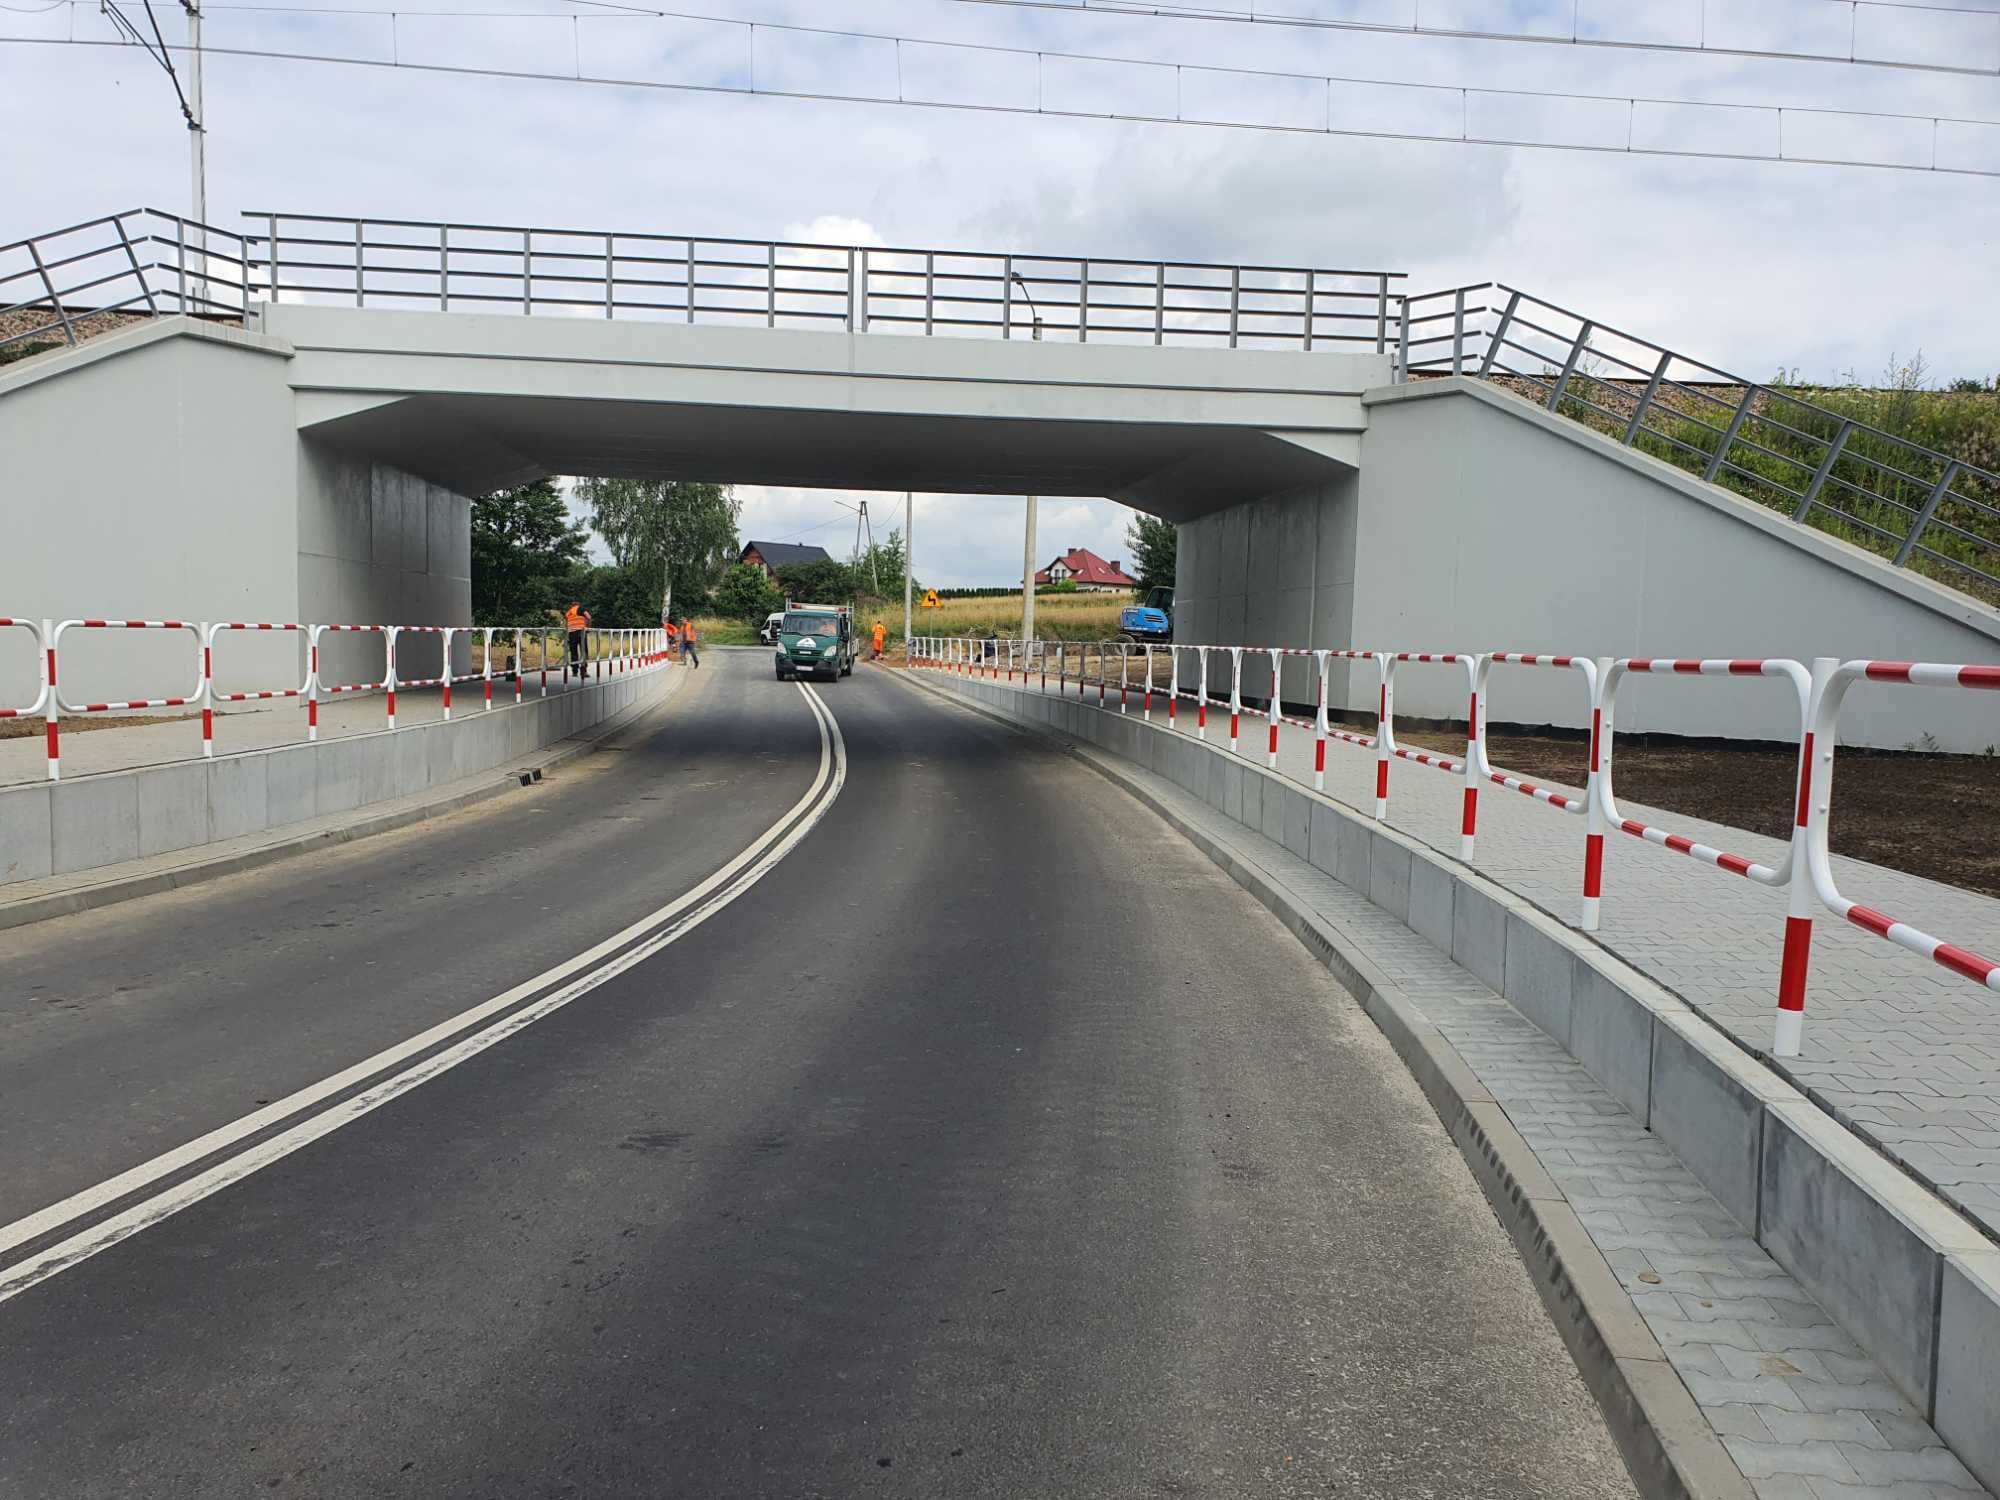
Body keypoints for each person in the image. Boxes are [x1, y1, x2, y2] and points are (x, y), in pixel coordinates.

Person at [563, 601, 591, 680]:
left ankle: (574, 671)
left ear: (571, 606)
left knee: (573, 652)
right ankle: (584, 671)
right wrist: (587, 625)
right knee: (583, 651)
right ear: (578, 605)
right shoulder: (580, 609)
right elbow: (588, 616)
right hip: (581, 632)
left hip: (572, 633)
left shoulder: (568, 613)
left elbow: (566, 623)